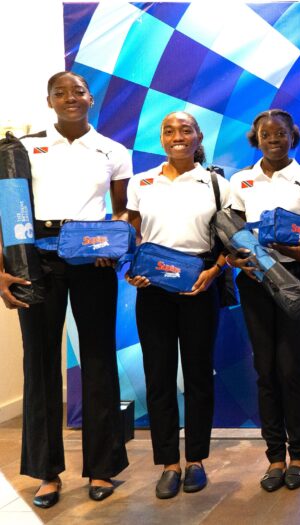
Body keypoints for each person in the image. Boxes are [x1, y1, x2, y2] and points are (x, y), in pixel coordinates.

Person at [0, 71, 130, 507]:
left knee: (97, 361)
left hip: (92, 260)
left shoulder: (113, 150)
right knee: (39, 362)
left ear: (90, 98)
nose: (70, 97)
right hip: (36, 262)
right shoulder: (24, 148)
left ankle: (102, 468)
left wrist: (113, 243)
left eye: (77, 91)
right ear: (49, 100)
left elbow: (123, 211)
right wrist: (1, 269)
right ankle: (46, 473)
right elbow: (6, 209)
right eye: (60, 92)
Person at [125, 111, 229, 499]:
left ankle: (196, 460)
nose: (177, 136)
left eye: (186, 129)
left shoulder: (216, 183)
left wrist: (214, 273)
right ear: (161, 138)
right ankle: (168, 462)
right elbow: (132, 236)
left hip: (199, 285)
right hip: (153, 287)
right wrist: (131, 269)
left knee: (200, 376)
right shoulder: (142, 182)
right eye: (169, 130)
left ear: (198, 136)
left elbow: (231, 242)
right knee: (159, 376)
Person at [226, 109, 300, 491]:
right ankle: (275, 458)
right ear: (256, 138)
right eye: (266, 133)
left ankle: (298, 456)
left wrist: (284, 247)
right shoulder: (240, 181)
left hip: (292, 280)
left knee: (290, 371)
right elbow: (230, 235)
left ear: (292, 136)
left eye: (281, 133)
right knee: (264, 371)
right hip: (254, 282)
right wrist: (236, 260)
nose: (273, 138)